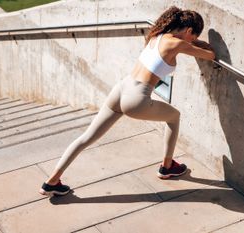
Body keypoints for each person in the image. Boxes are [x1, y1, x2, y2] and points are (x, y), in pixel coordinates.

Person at [39, 6, 216, 196]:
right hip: (136, 98)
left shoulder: (157, 36)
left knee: (86, 138)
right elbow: (210, 56)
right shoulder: (177, 44)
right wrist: (200, 45)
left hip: (121, 88)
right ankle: (167, 166)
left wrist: (195, 42)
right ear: (189, 31)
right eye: (193, 36)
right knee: (174, 117)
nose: (192, 41)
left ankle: (52, 181)